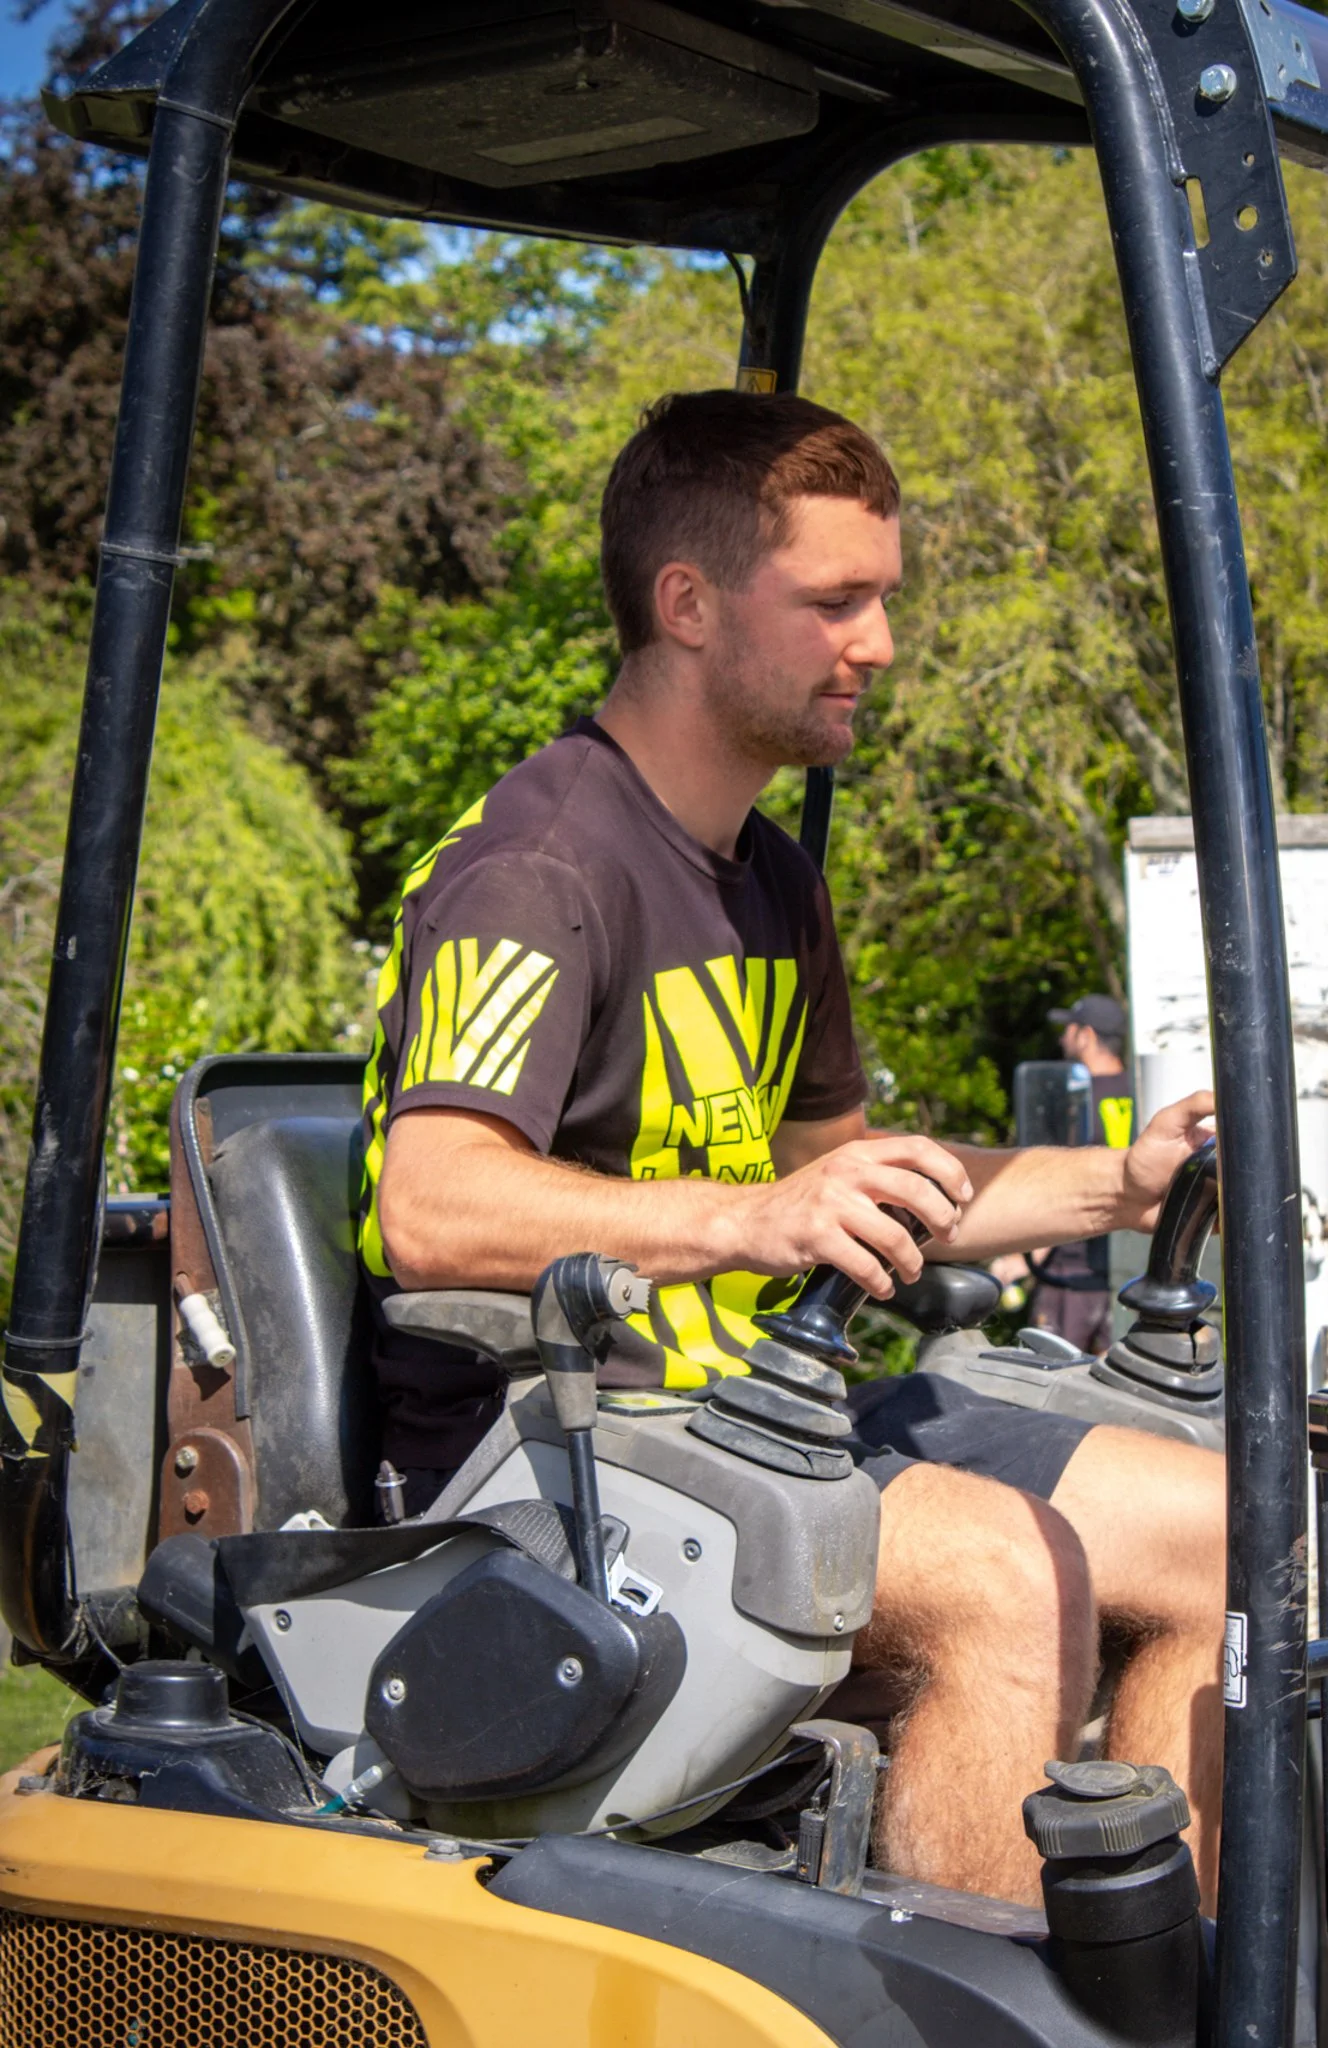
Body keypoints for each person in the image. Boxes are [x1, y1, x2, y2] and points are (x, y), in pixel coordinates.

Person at [360, 390, 1226, 1911]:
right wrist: (759, 1217)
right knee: (1004, 1575)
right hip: (543, 1466)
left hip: (755, 1424)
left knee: (1228, 1529)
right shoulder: (539, 867)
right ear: (687, 605)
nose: (877, 643)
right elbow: (430, 1205)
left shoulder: (768, 876)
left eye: (880, 598)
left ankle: (1167, 1996)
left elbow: (854, 1171)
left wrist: (1117, 1183)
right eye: (834, 601)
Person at [997, 996, 1135, 1356]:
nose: (1063, 1039)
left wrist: (1020, 1260)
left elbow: (1059, 1186)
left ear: (1086, 1036)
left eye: (1069, 1030)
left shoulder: (1072, 1098)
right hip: (1123, 1273)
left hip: (1069, 1276)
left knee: (1053, 1388)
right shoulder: (1139, 1092)